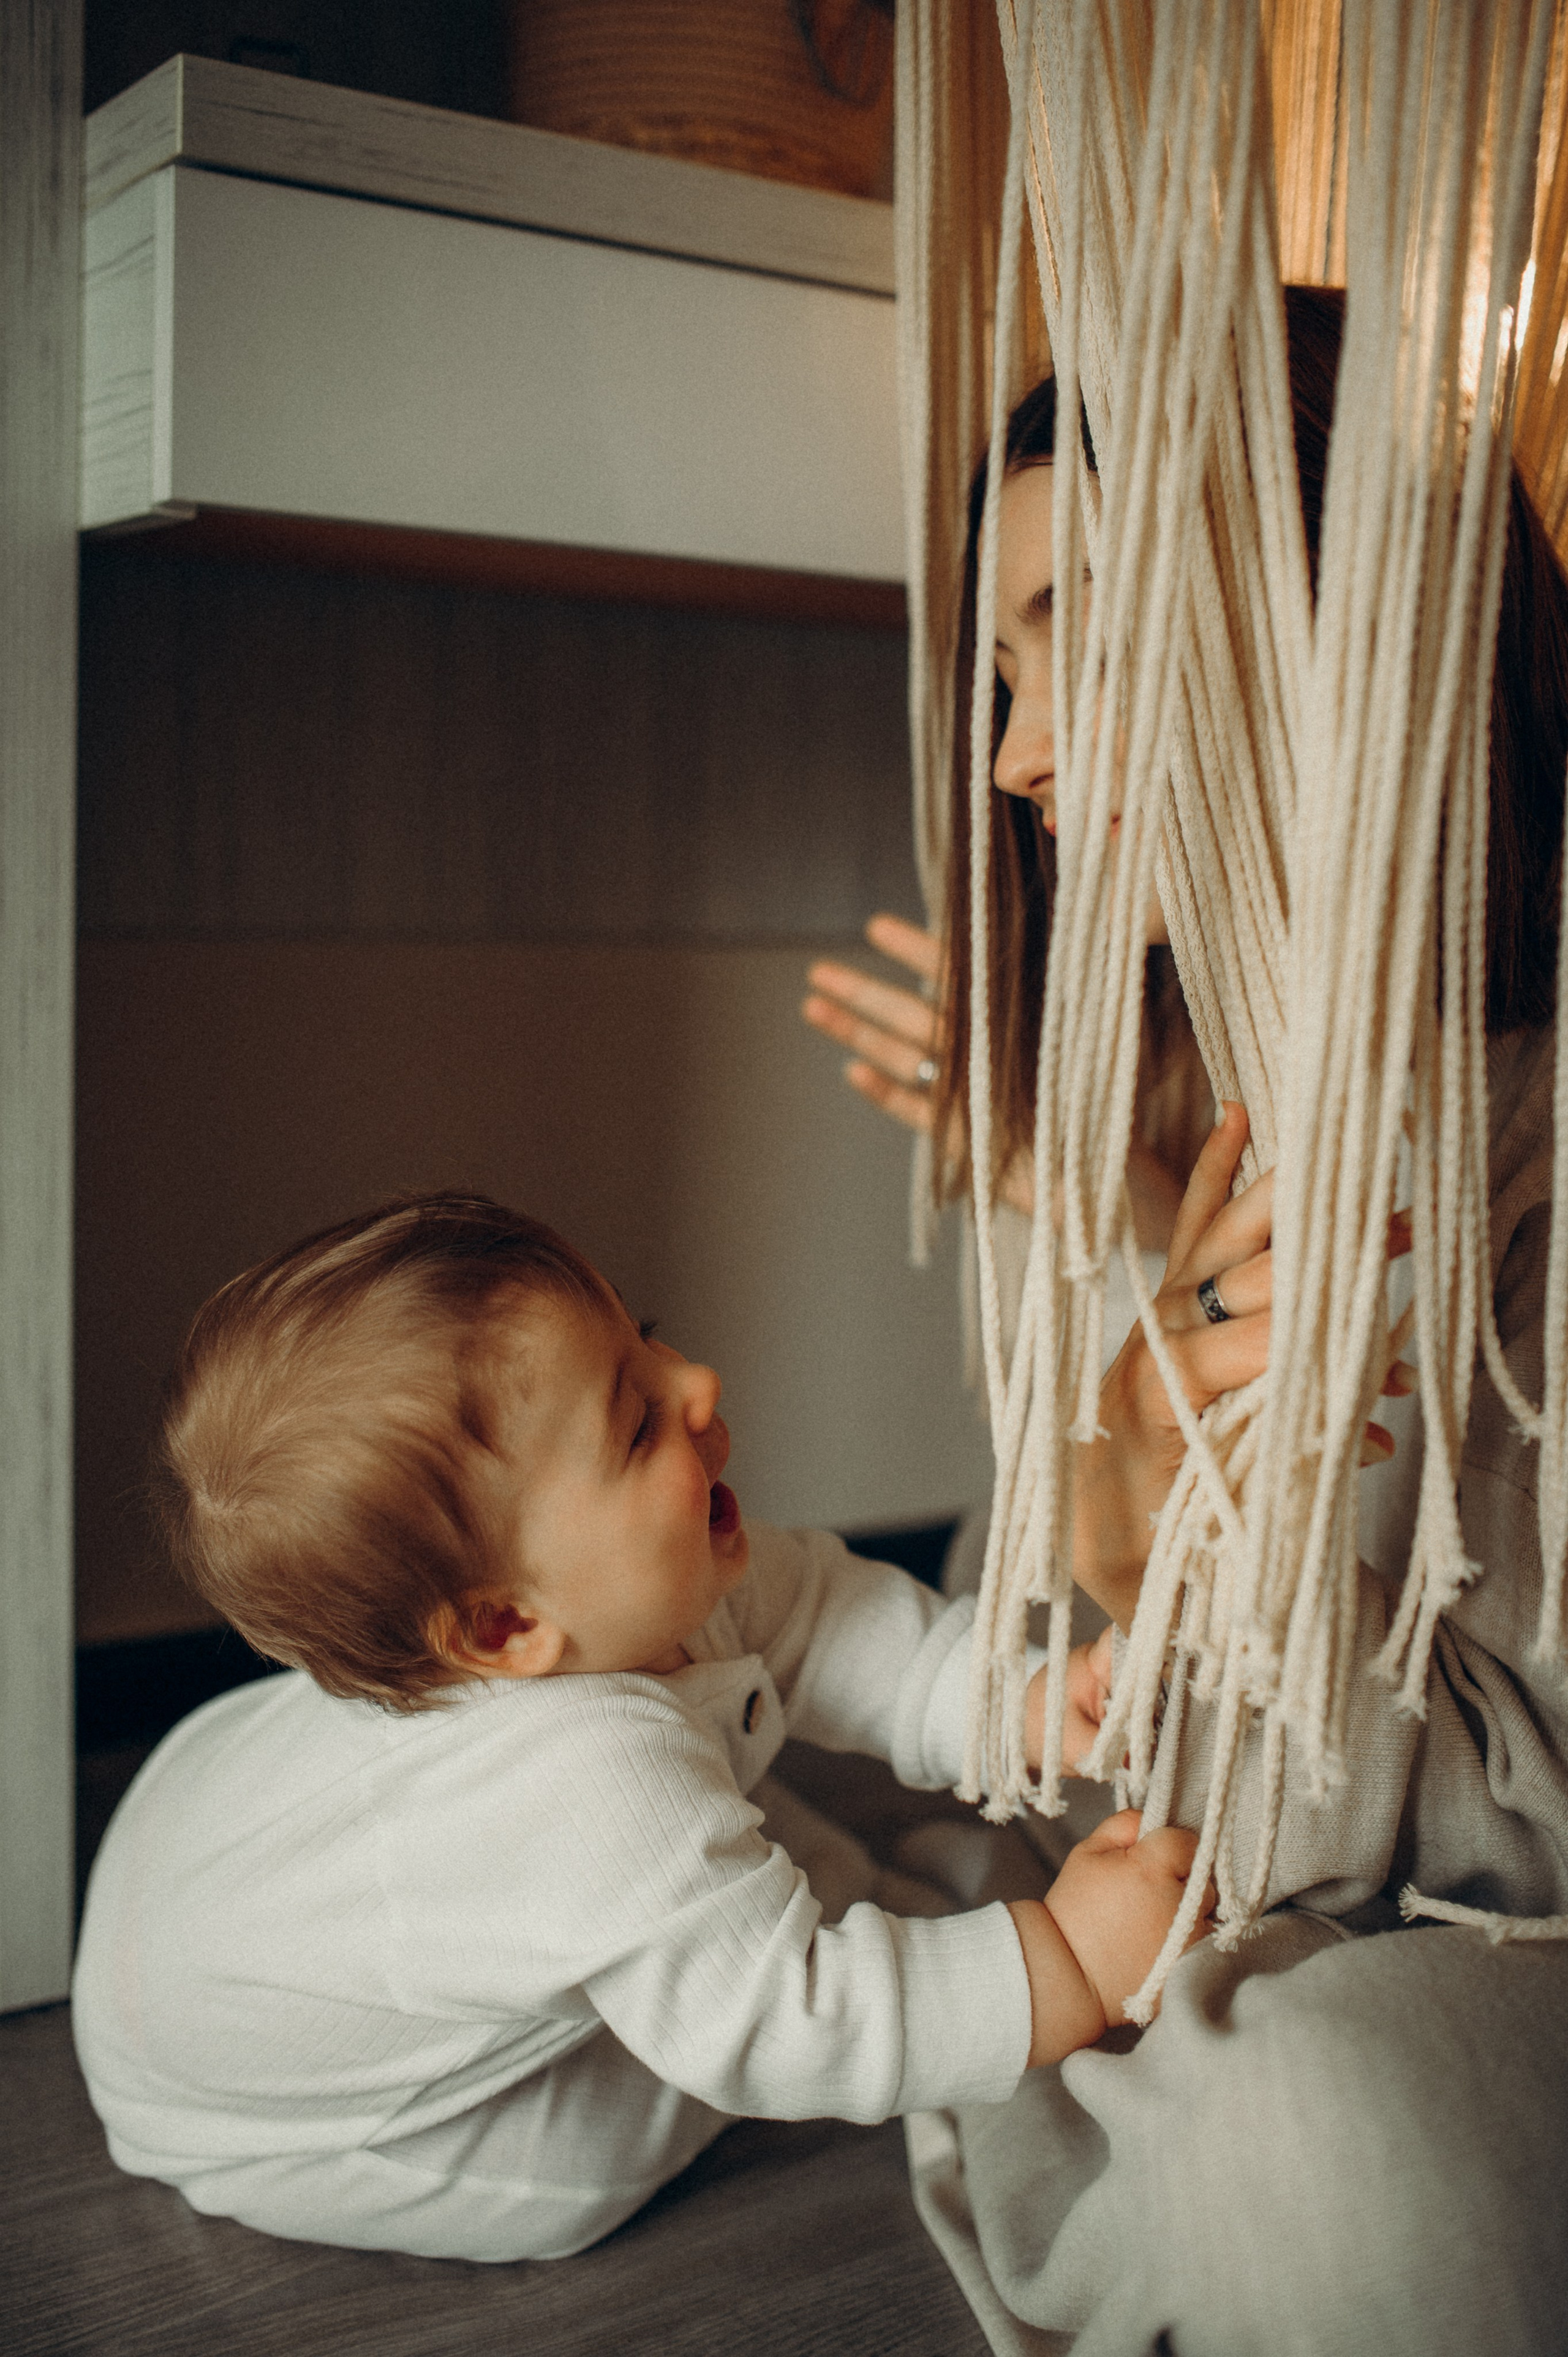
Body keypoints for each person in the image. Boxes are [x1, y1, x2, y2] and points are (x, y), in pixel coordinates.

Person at [805, 286, 1568, 2354]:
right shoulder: (1213, 1117)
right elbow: (1086, 1753)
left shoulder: (1529, 1146)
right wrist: (1141, 1287)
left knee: (1337, 2118)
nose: (1020, 753)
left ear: (1338, 629)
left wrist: (1237, 1440)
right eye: (1000, 674)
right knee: (1300, 2101)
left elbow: (1461, 1825)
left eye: (1077, 636)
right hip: (1291, 1907)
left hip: (1475, 1939)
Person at [71, 1190, 1210, 2266]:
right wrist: (1058, 1967)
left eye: (647, 1340)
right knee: (584, 2170)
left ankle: (693, 1915)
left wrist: (1016, 1702)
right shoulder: (584, 1793)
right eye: (633, 1424)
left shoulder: (641, 1583)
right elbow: (788, 2023)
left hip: (192, 1844)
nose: (698, 1382)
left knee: (710, 1846)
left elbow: (826, 1618)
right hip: (246, 2100)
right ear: (508, 1622)